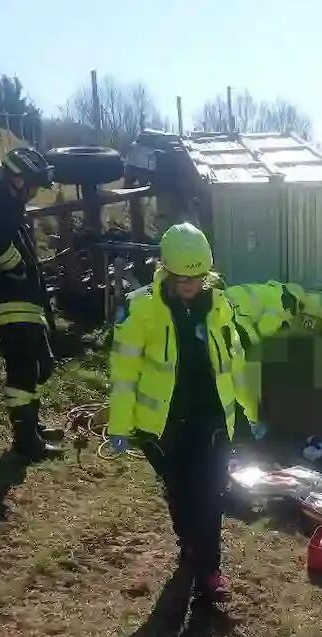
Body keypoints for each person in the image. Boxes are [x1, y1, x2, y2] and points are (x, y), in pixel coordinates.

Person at [105, 222, 262, 603]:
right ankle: (190, 545)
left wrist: (252, 411)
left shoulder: (219, 306)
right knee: (180, 493)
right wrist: (120, 425)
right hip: (163, 426)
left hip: (211, 421)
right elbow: (124, 374)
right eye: (181, 277)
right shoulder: (140, 309)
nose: (189, 284)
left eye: (196, 277)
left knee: (207, 496)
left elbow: (236, 362)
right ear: (166, 270)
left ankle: (209, 571)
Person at [0, 147, 62, 462]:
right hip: (10, 303)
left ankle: (32, 426)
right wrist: (18, 268)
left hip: (24, 303)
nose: (35, 192)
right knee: (22, 371)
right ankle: (25, 441)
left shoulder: (7, 206)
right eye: (33, 185)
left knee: (35, 367)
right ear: (17, 180)